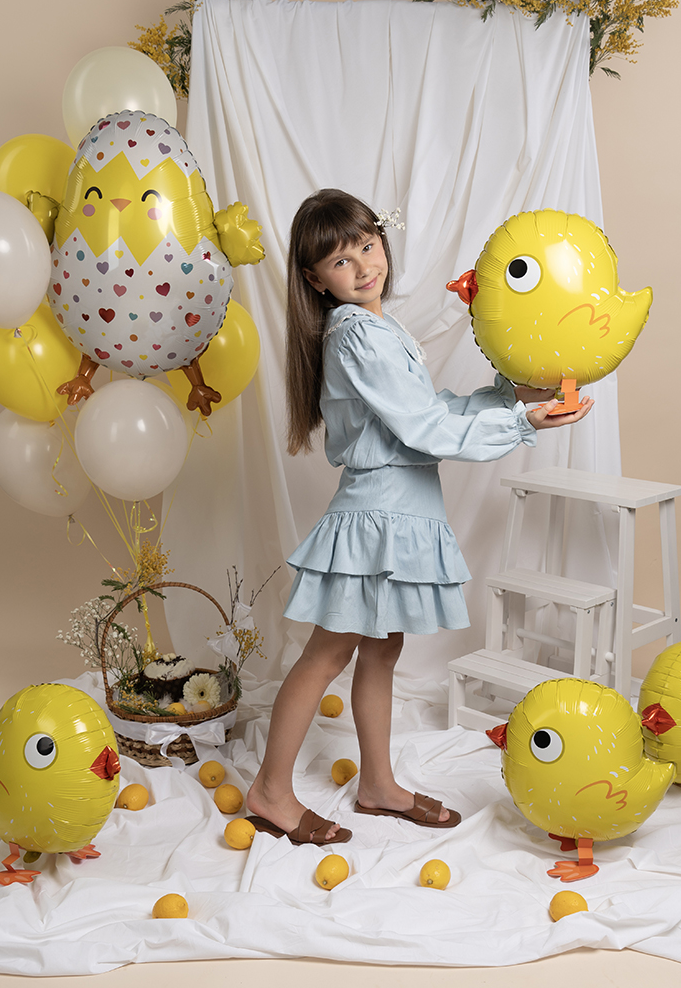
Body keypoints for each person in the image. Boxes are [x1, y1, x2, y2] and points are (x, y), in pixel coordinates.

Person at [244, 189, 594, 845]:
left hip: (403, 513)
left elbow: (432, 411)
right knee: (326, 654)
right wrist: (522, 421)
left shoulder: (383, 330)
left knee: (382, 650)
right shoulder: (357, 335)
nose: (363, 266)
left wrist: (511, 397)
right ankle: (270, 790)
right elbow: (423, 429)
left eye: (367, 246)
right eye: (341, 261)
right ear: (315, 280)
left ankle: (377, 784)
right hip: (377, 514)